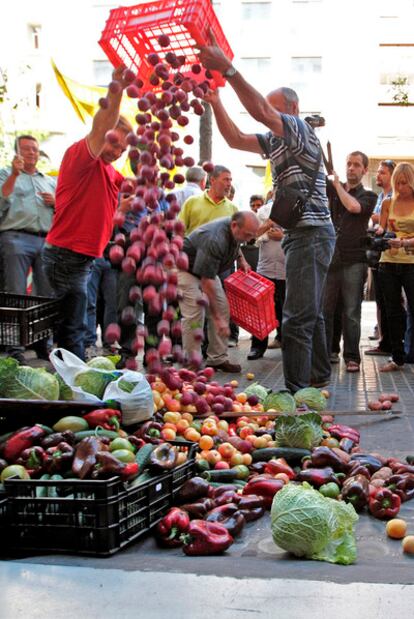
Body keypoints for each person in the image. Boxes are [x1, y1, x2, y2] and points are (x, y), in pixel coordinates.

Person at [197, 39, 335, 392]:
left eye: (275, 111)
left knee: (295, 318)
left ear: (292, 108)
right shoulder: (276, 141)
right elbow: (235, 138)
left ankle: (296, 393)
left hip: (312, 232)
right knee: (310, 312)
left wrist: (228, 70)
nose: (269, 117)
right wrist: (215, 102)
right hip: (304, 234)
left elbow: (259, 111)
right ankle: (317, 376)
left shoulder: (299, 129)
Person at [42, 65, 133, 360]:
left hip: (84, 257)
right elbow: (103, 124)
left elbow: (129, 185)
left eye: (123, 150)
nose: (117, 152)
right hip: (66, 254)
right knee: (73, 328)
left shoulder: (109, 170)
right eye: (114, 143)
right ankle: (71, 381)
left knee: (76, 324)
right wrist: (117, 87)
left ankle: (70, 373)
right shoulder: (81, 156)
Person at [0, 134, 56, 363]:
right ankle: (14, 347)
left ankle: (42, 344)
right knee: (15, 293)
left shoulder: (49, 181)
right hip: (15, 237)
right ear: (17, 152)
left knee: (45, 295)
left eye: (34, 149)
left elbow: (63, 210)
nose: (31, 152)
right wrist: (14, 175)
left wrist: (56, 202)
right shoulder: (5, 173)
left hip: (46, 239)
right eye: (26, 149)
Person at [178, 212, 257, 373]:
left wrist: (241, 259)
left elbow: (237, 243)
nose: (249, 240)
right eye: (248, 235)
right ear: (234, 225)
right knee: (195, 313)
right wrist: (217, 319)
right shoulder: (215, 239)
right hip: (185, 268)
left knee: (222, 307)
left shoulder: (235, 230)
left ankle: (217, 359)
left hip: (207, 269)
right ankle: (191, 364)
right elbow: (207, 283)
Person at [323, 152, 377, 372]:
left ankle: (352, 356)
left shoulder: (369, 196)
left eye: (356, 165)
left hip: (354, 260)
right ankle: (328, 353)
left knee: (352, 312)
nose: (351, 168)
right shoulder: (333, 189)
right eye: (349, 164)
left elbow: (353, 207)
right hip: (330, 258)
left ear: (365, 170)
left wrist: (337, 186)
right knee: (326, 310)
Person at [377, 162, 414, 372]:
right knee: (392, 312)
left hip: (411, 262)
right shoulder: (387, 202)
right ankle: (397, 357)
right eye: (397, 183)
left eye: (404, 183)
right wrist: (379, 234)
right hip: (388, 261)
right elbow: (382, 228)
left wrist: (405, 243)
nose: (400, 188)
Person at [365, 159, 396, 356]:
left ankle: (390, 343)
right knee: (381, 299)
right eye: (378, 172)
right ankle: (383, 338)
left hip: (392, 253)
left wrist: (378, 220)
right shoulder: (379, 197)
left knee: (390, 300)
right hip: (378, 252)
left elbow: (382, 222)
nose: (378, 175)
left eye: (383, 172)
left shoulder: (395, 197)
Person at [248, 201, 286, 360]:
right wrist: (269, 222)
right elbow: (253, 234)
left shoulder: (295, 209)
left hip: (287, 270)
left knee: (285, 309)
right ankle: (257, 346)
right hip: (265, 269)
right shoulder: (263, 211)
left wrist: (283, 235)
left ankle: (285, 341)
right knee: (260, 310)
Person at [178, 165, 237, 234]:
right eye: (226, 180)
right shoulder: (192, 202)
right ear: (212, 180)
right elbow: (179, 230)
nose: (229, 184)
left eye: (230, 180)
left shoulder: (233, 209)